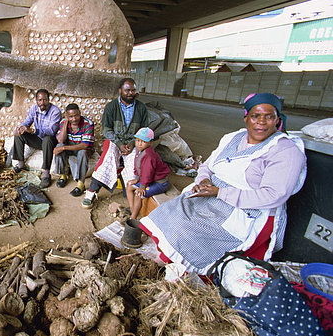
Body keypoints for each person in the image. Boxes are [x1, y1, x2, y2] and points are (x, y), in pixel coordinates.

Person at [127, 93, 307, 275]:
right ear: (246, 117)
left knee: (190, 232)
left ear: (277, 120)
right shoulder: (233, 138)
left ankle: (177, 265)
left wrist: (220, 193)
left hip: (247, 210)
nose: (261, 122)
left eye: (269, 116)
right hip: (212, 195)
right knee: (169, 212)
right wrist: (203, 180)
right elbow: (208, 165)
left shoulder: (286, 151)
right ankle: (166, 254)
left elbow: (273, 196)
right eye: (255, 116)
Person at [81, 77, 149, 208]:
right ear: (120, 91)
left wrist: (133, 143)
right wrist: (119, 143)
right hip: (114, 141)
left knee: (135, 161)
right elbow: (106, 129)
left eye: (133, 90)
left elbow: (144, 130)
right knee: (109, 157)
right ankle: (91, 191)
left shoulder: (141, 108)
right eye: (127, 90)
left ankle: (130, 191)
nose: (130, 93)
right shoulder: (111, 106)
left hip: (132, 143)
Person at [121, 127, 170, 235]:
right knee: (129, 186)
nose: (139, 144)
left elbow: (148, 172)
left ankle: (132, 219)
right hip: (148, 179)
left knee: (138, 193)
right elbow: (138, 167)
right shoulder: (139, 151)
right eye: (138, 140)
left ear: (151, 142)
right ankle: (133, 209)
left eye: (143, 141)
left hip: (159, 183)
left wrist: (142, 186)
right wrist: (137, 179)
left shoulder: (149, 155)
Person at [13, 89, 61, 188]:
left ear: (49, 99)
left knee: (47, 139)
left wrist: (34, 131)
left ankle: (46, 173)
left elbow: (51, 131)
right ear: (36, 100)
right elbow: (27, 121)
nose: (42, 103)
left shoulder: (55, 111)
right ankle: (21, 163)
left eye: (45, 100)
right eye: (40, 100)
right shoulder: (34, 109)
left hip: (50, 141)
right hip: (38, 140)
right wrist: (21, 128)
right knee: (19, 134)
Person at [53, 103, 95, 197]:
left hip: (84, 149)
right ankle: (63, 176)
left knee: (82, 152)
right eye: (70, 116)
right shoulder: (64, 122)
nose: (74, 119)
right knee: (59, 145)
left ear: (80, 113)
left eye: (76, 115)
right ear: (67, 116)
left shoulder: (88, 123)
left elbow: (84, 145)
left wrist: (64, 147)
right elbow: (60, 140)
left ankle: (81, 184)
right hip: (71, 148)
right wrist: (66, 123)